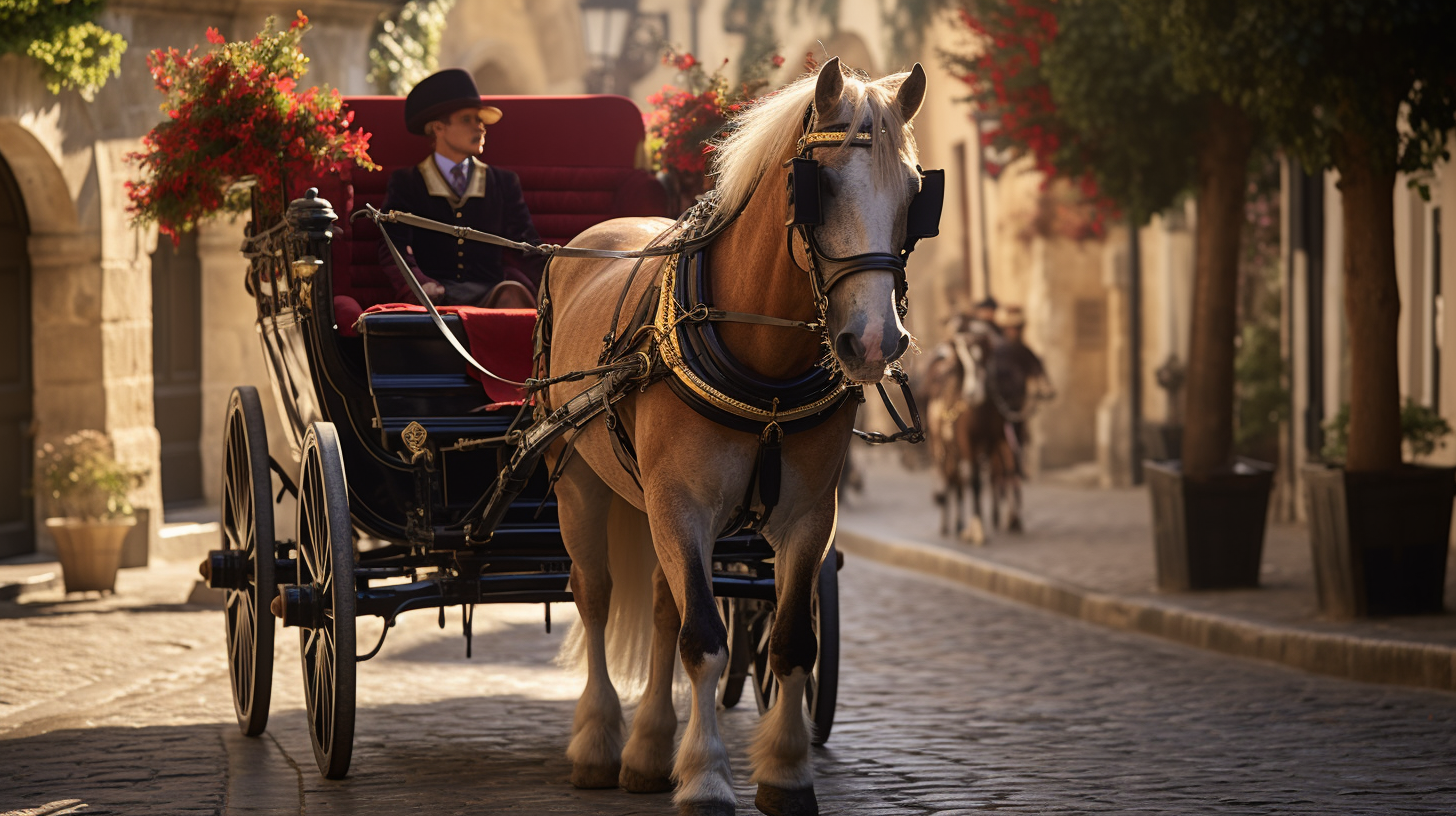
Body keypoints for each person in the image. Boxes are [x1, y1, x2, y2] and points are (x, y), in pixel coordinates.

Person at [378, 69, 545, 308]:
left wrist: (557, 283)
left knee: (513, 295)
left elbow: (526, 246)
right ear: (438, 128)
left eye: (480, 120)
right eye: (468, 119)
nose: (480, 128)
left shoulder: (503, 182)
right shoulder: (407, 182)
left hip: (492, 297)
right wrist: (419, 283)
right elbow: (392, 246)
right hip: (434, 297)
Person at [990, 305, 1054, 473]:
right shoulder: (997, 350)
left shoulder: (1024, 350)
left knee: (1020, 429)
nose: (1014, 332)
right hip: (998, 400)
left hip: (1018, 398)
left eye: (1017, 328)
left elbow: (1037, 369)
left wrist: (1045, 387)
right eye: (1011, 328)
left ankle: (1018, 460)